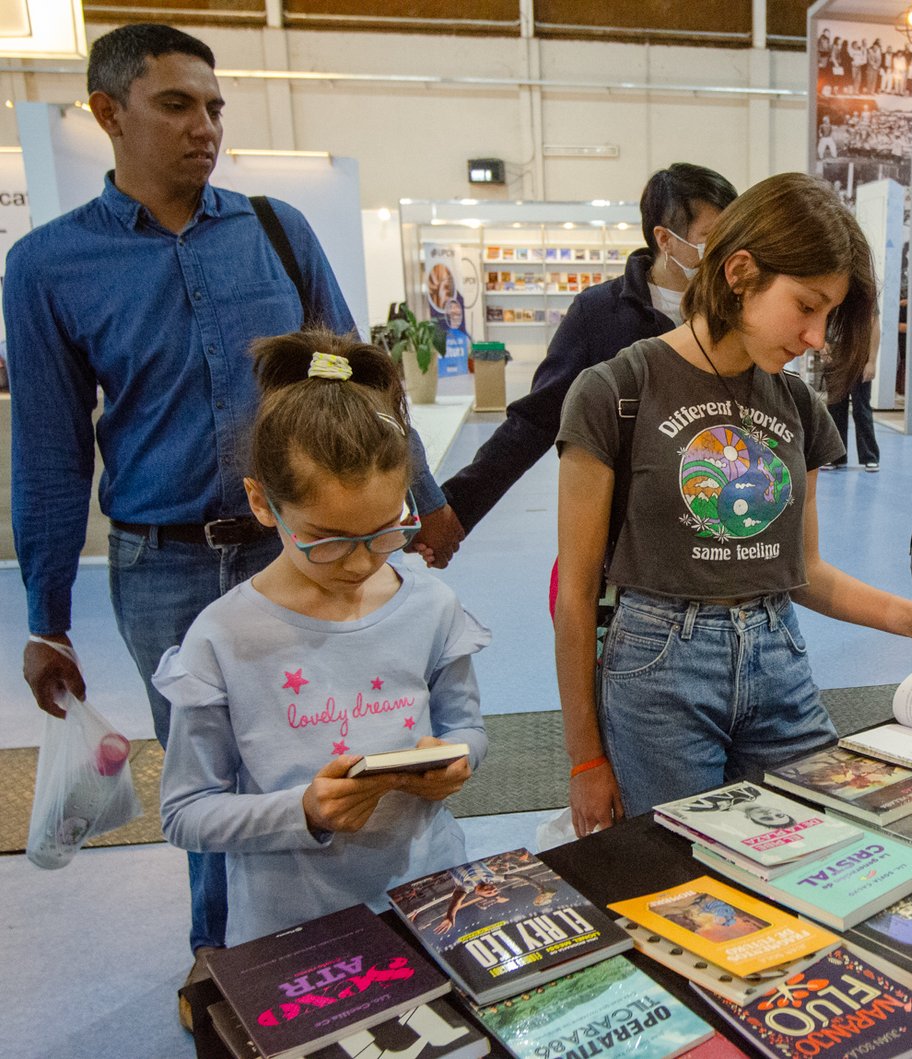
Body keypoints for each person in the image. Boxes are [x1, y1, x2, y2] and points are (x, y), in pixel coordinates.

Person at [4, 23, 459, 1010]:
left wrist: (421, 498)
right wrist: (46, 617)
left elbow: (359, 383)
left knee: (329, 741)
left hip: (299, 546)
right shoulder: (48, 267)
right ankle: (226, 960)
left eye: (213, 106)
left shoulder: (277, 231)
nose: (204, 126)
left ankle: (354, 934)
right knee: (212, 771)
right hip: (161, 566)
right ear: (108, 113)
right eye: (176, 104)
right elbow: (48, 449)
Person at [553, 173, 912, 833]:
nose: (816, 336)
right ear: (742, 272)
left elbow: (804, 569)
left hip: (778, 656)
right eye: (807, 305)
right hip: (661, 671)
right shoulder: (615, 389)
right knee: (688, 878)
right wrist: (585, 758)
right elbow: (575, 594)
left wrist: (910, 616)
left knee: (825, 844)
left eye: (830, 314)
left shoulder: (796, 405)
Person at [158, 330, 488, 951]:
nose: (362, 562)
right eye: (329, 539)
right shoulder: (223, 638)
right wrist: (305, 812)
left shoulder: (431, 606)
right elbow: (186, 812)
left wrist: (456, 761)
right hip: (294, 926)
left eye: (386, 531)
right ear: (262, 502)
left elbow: (468, 728)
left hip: (432, 899)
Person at [442, 163, 737, 533]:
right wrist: (458, 506)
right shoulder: (599, 313)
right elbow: (537, 418)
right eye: (711, 237)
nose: (725, 250)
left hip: (722, 513)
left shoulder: (737, 311)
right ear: (665, 239)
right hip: (628, 526)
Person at [825, 310, 881, 472]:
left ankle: (869, 456)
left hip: (859, 354)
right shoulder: (831, 288)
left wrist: (871, 361)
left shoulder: (865, 290)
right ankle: (836, 456)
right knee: (835, 408)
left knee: (861, 409)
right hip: (835, 354)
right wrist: (821, 343)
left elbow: (874, 324)